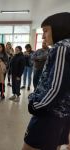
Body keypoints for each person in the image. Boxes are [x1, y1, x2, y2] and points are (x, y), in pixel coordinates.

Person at [22, 12, 70, 150]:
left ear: (59, 28)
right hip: (61, 114)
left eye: (46, 31)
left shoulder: (61, 48)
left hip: (50, 115)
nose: (43, 36)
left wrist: (36, 106)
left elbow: (56, 87)